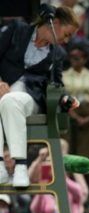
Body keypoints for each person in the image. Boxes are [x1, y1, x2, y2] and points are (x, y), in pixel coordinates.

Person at [0, 6, 79, 187]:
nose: (66, 40)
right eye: (66, 34)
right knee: (5, 102)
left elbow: (57, 85)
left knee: (11, 100)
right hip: (2, 92)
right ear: (55, 23)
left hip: (29, 98)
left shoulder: (57, 54)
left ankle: (20, 166)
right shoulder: (16, 30)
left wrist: (66, 99)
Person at [62, 43, 89, 190]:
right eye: (72, 57)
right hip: (70, 113)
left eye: (78, 57)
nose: (75, 60)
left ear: (84, 59)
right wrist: (74, 116)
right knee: (70, 149)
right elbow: (63, 97)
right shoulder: (64, 75)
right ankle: (71, 188)